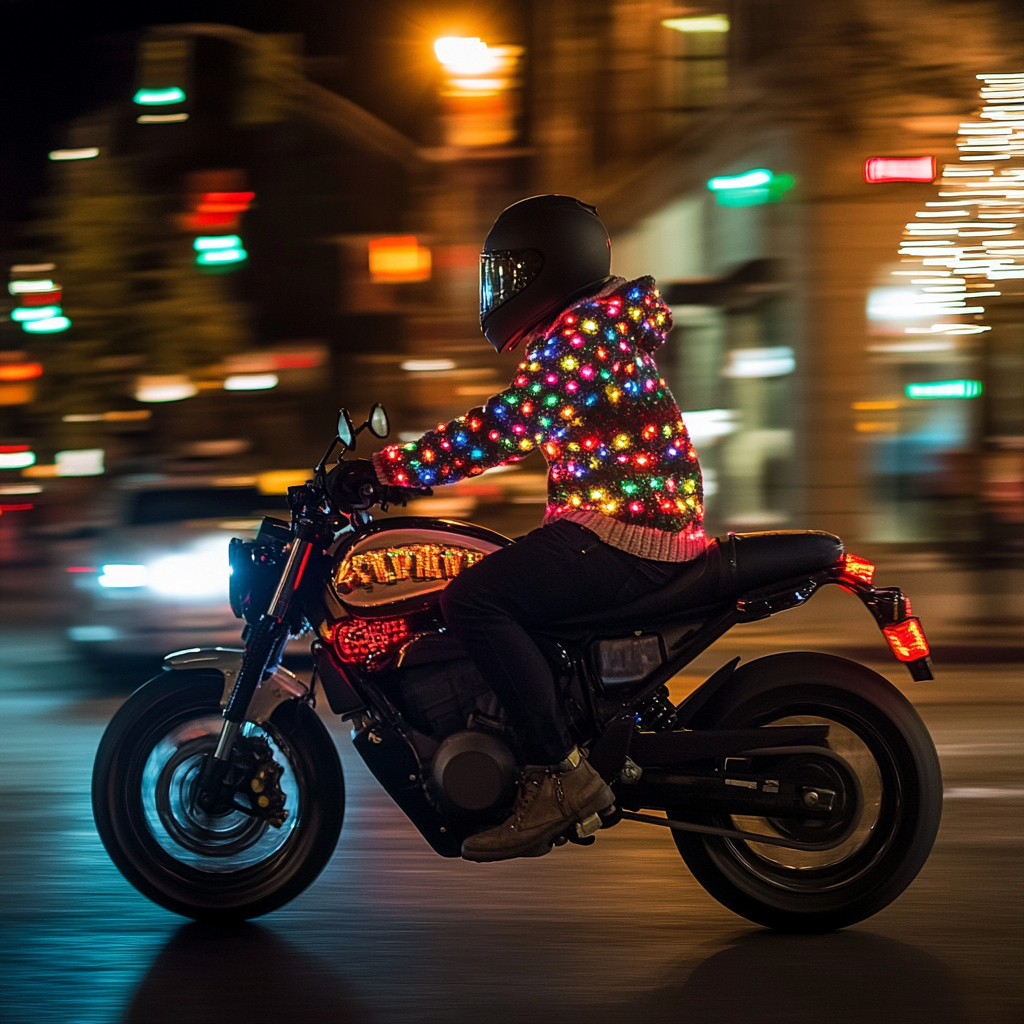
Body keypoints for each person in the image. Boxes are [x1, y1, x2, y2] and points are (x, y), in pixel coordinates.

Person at [331, 195, 707, 862]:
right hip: (629, 528)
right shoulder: (596, 332)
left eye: (510, 273)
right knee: (502, 582)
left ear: (552, 266)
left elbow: (502, 429)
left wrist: (388, 470)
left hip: (624, 533)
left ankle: (557, 777)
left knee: (475, 598)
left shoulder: (583, 340)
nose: (499, 289)